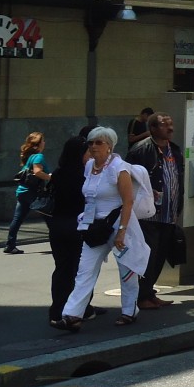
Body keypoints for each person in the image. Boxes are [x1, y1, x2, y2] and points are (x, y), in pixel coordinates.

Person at [56, 127, 149, 330]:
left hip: (118, 225)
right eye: (90, 143)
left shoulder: (119, 168)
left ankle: (129, 310)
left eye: (99, 142)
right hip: (94, 227)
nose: (93, 146)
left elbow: (128, 202)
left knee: (127, 270)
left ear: (109, 146)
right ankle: (72, 315)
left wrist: (122, 231)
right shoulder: (89, 166)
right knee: (84, 270)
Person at [125, 112, 184, 309]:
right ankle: (141, 297)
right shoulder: (141, 150)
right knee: (147, 256)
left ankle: (149, 292)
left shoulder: (173, 150)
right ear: (153, 129)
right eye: (165, 125)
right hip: (148, 214)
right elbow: (128, 180)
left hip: (169, 213)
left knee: (160, 255)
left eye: (171, 124)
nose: (170, 128)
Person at [47, 134, 103, 324]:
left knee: (62, 269)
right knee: (81, 271)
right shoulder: (84, 176)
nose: (91, 154)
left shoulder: (58, 173)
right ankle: (81, 309)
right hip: (78, 226)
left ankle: (57, 310)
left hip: (57, 225)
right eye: (88, 151)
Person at [6, 131, 51, 254]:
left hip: (22, 191)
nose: (44, 143)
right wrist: (50, 177)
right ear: (38, 144)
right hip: (32, 193)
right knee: (49, 215)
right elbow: (37, 172)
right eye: (43, 141)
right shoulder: (38, 156)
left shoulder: (29, 157)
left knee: (17, 218)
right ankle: (57, 242)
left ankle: (10, 245)